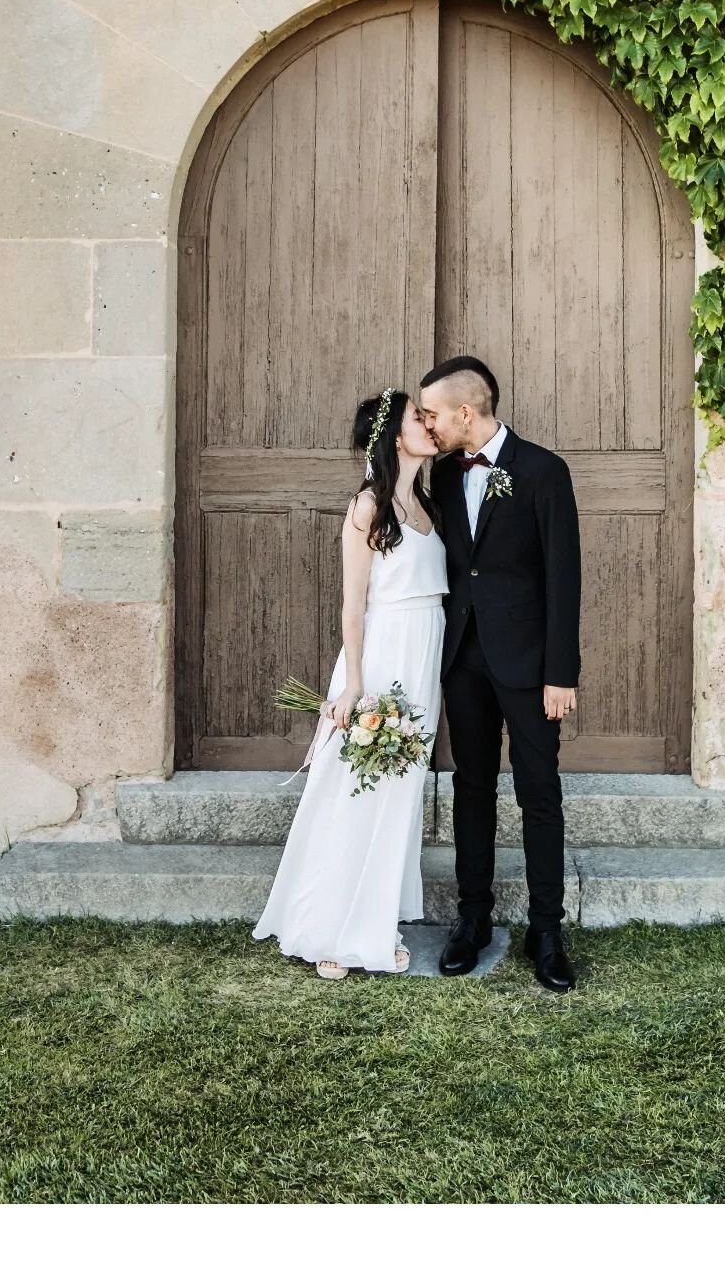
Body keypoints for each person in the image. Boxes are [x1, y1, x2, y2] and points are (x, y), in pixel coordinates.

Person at [251, 388, 446, 978]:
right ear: (392, 434)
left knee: (399, 792)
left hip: (424, 658)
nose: (430, 425)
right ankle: (331, 927)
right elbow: (352, 607)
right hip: (384, 656)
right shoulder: (368, 506)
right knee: (358, 790)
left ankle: (375, 917)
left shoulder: (426, 504)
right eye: (419, 417)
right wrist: (354, 683)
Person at [417, 356, 581, 992]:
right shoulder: (443, 473)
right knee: (472, 789)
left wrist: (560, 672)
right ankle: (474, 919)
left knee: (540, 794)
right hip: (465, 660)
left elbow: (563, 578)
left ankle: (547, 931)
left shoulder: (543, 471)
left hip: (532, 667)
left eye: (433, 414)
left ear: (466, 412)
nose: (428, 425)